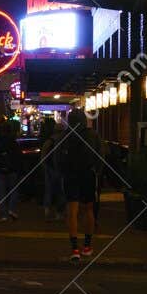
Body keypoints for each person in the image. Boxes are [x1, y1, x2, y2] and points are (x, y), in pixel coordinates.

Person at [60, 108, 101, 261]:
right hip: (87, 175)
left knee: (72, 211)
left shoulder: (65, 136)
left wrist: (62, 172)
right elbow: (100, 156)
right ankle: (88, 245)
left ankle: (74, 248)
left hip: (70, 176)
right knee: (88, 209)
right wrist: (96, 171)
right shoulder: (93, 135)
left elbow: (58, 159)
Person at [0, 119, 22, 221]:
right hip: (12, 169)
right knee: (14, 190)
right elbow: (18, 156)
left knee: (1, 192)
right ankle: (11, 209)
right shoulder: (13, 142)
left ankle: (4, 214)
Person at [38, 118, 65, 221]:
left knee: (49, 190)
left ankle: (47, 210)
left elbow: (43, 156)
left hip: (49, 168)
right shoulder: (65, 141)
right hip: (62, 169)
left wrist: (44, 166)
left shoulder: (49, 141)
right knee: (61, 191)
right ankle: (59, 213)